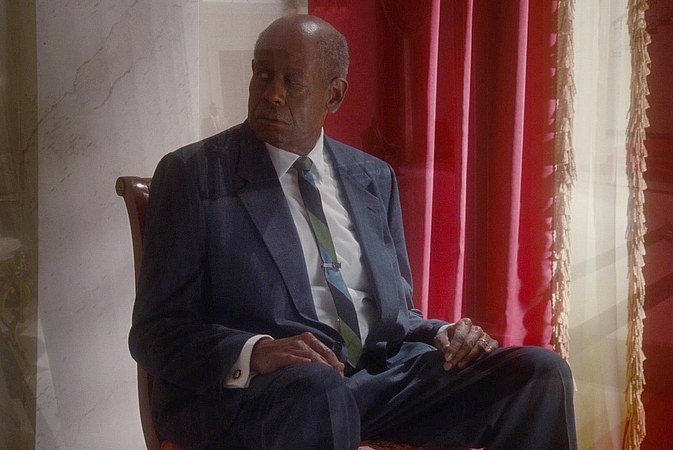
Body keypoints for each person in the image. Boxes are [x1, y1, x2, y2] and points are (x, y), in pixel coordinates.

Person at [129, 14, 576, 450]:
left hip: (379, 381)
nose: (272, 94)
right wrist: (256, 351)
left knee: (538, 374)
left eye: (292, 81)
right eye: (262, 75)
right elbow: (155, 331)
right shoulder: (194, 175)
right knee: (319, 392)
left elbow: (398, 314)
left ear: (335, 95)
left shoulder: (373, 177)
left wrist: (443, 333)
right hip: (270, 395)